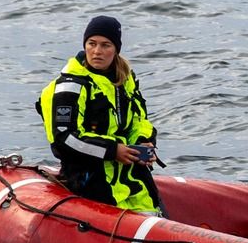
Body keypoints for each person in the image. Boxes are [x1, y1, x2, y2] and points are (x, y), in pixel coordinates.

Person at [35, 14, 162, 213]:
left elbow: (139, 119)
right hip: (89, 175)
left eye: (106, 45)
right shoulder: (71, 85)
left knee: (155, 215)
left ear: (116, 50)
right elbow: (64, 138)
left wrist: (144, 142)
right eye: (91, 44)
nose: (97, 52)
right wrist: (113, 151)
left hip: (127, 172)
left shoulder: (125, 79)